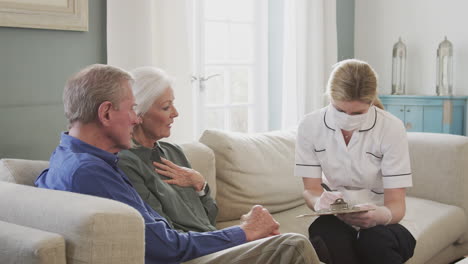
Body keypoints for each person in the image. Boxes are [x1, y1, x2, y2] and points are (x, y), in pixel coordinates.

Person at [35, 64, 318, 264]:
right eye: (133, 109)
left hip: (186, 245)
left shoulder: (68, 158)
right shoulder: (91, 171)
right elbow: (165, 247)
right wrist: (244, 232)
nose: (136, 119)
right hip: (178, 256)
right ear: (106, 113)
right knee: (290, 244)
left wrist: (203, 190)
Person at [294, 59, 416, 264]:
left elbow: (397, 205)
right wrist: (318, 202)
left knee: (374, 239)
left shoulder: (391, 128)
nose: (347, 118)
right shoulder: (309, 126)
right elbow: (311, 189)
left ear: (371, 102)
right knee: (323, 231)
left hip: (384, 225)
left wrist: (379, 216)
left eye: (358, 113)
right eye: (340, 110)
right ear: (330, 97)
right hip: (337, 220)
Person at [118, 67, 216, 233]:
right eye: (166, 107)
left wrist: (200, 185)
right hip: (195, 251)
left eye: (173, 105)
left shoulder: (174, 152)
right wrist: (238, 235)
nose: (176, 113)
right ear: (138, 113)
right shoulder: (127, 163)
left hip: (214, 240)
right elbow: (165, 234)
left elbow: (209, 219)